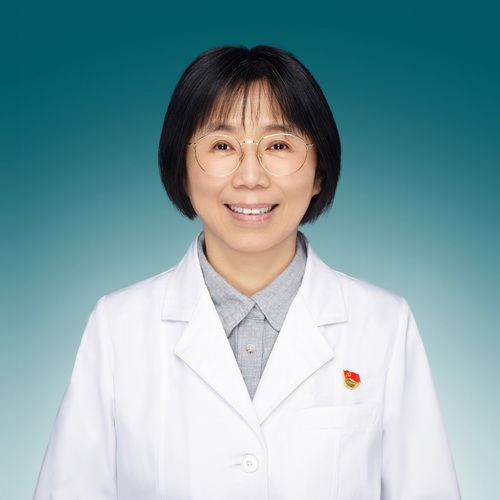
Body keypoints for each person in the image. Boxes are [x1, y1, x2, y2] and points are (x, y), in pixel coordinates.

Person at [34, 46, 461, 499]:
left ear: (319, 172)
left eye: (279, 145)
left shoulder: (383, 324)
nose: (251, 177)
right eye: (222, 146)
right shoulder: (118, 327)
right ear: (182, 168)